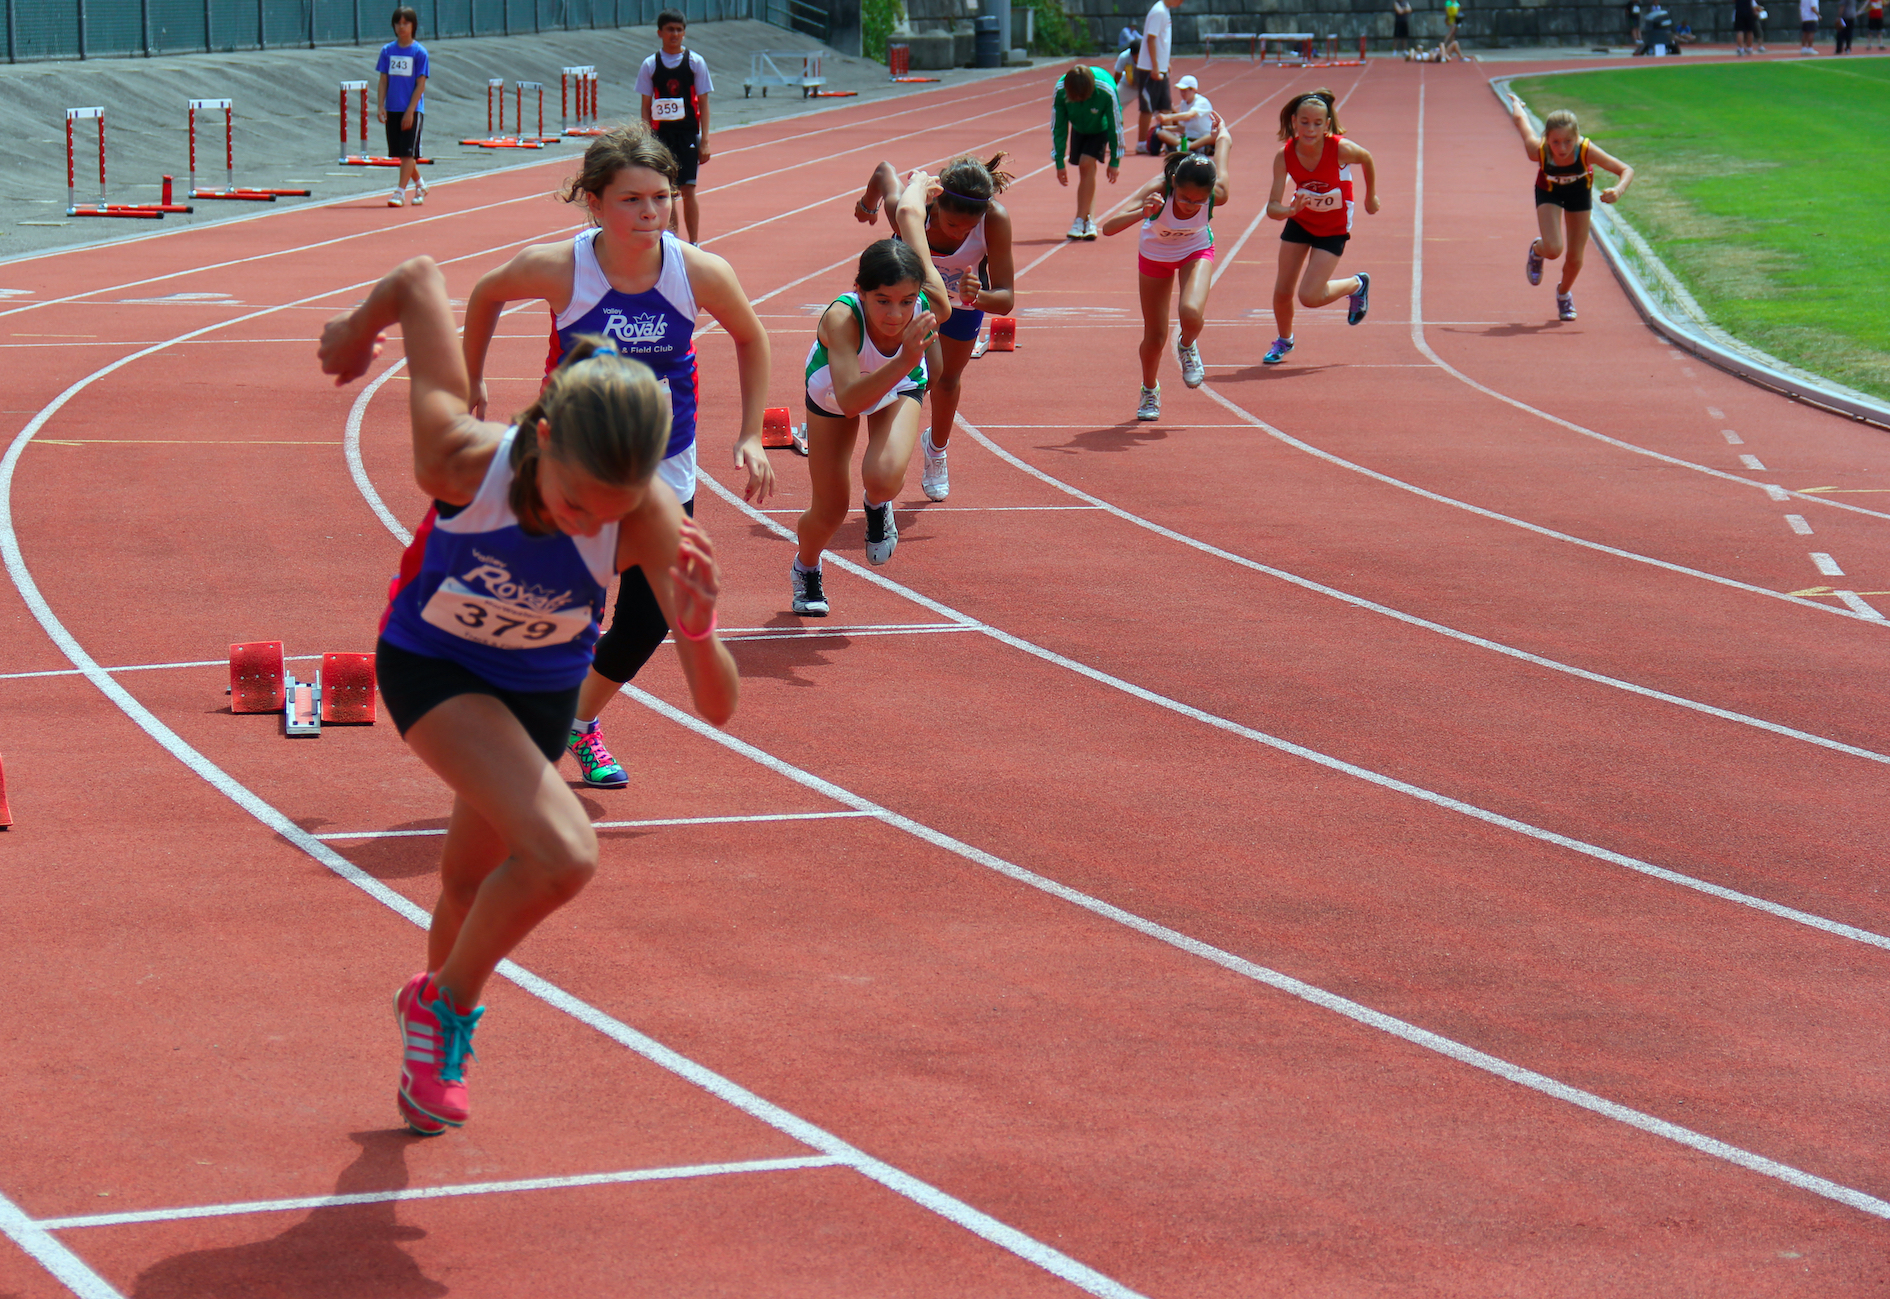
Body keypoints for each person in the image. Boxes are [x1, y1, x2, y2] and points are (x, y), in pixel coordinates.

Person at [318, 255, 739, 1137]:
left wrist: (695, 626)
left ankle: (429, 1047)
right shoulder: (461, 458)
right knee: (564, 853)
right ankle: (445, 1006)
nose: (592, 525)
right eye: (578, 503)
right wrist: (356, 329)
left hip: (540, 692)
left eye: (612, 512)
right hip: (435, 666)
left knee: (469, 884)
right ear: (540, 437)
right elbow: (420, 279)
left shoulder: (647, 514)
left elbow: (718, 706)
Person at [460, 127, 773, 789]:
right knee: (576, 604)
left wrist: (749, 433)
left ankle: (576, 719)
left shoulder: (698, 271)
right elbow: (486, 292)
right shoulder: (561, 268)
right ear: (595, 203)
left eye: (660, 197)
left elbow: (751, 336)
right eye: (633, 199)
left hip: (665, 462)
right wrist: (474, 380)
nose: (651, 212)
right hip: (573, 463)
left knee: (649, 614)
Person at [854, 156, 1013, 501]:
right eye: (952, 224)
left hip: (961, 307)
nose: (958, 233)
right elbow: (883, 172)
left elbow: (1005, 298)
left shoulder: (994, 220)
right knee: (915, 375)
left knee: (946, 381)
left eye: (967, 230)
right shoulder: (911, 208)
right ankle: (887, 455)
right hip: (911, 303)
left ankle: (936, 449)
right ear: (935, 203)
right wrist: (867, 204)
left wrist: (978, 295)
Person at [792, 241, 938, 616]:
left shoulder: (923, 307)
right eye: (883, 300)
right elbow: (851, 401)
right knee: (830, 510)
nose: (896, 314)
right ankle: (806, 566)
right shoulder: (841, 319)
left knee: (884, 477)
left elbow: (947, 306)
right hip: (835, 396)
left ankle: (877, 505)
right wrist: (906, 358)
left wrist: (915, 202)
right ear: (860, 291)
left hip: (898, 386)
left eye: (907, 301)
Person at [1100, 126, 1234, 420]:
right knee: (1156, 335)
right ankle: (1150, 390)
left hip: (1195, 250)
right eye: (1185, 199)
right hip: (1155, 256)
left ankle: (1187, 346)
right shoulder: (1158, 188)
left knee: (1190, 312)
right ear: (1174, 183)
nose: (1190, 206)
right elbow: (1108, 228)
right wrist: (1143, 213)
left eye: (1199, 201)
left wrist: (1221, 133)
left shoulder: (1216, 195)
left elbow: (1224, 148)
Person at [1261, 90, 1378, 367]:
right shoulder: (1285, 156)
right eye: (1304, 122)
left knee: (1310, 297)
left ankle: (1357, 284)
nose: (1310, 129)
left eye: (1316, 123)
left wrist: (1370, 196)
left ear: (1327, 125)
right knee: (1282, 291)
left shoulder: (1341, 149)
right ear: (1294, 122)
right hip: (1301, 221)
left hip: (1333, 227)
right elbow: (1272, 207)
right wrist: (1290, 210)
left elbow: (1368, 159)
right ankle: (1284, 340)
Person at [1507, 95, 1635, 322]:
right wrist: (1517, 103)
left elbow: (1625, 169)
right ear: (1547, 138)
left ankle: (1563, 293)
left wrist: (1618, 190)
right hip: (1549, 191)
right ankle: (1537, 251)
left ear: (1576, 137)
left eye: (1568, 141)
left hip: (1579, 194)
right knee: (1554, 249)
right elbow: (1520, 122)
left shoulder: (1586, 150)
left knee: (1576, 258)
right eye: (1555, 142)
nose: (1562, 148)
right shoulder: (1538, 150)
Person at [638, 10, 713, 243]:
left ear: (684, 33)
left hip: (687, 134)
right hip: (661, 137)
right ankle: (672, 243)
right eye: (670, 30)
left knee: (688, 190)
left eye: (679, 30)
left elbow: (703, 103)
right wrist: (646, 137)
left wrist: (706, 140)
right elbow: (645, 105)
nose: (675, 34)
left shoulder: (695, 62)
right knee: (666, 193)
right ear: (660, 33)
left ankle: (694, 244)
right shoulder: (650, 64)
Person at [1052, 63, 1124, 240]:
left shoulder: (1106, 90)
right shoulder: (1061, 91)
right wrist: (1059, 162)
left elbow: (1117, 126)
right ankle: (1089, 220)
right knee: (1087, 172)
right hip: (1079, 128)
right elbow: (1058, 127)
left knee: (1086, 164)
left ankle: (1078, 219)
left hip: (1101, 128)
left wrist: (1115, 160)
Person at [375, 6, 429, 208]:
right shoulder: (387, 51)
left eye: (406, 23)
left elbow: (420, 84)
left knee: (408, 153)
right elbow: (383, 80)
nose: (401, 26)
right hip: (393, 108)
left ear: (413, 25)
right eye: (398, 23)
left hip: (412, 110)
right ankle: (420, 184)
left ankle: (399, 192)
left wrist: (410, 111)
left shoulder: (419, 52)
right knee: (400, 153)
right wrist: (381, 105)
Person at [1135, 0, 1185, 155]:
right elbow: (1151, 39)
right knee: (1147, 108)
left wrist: (1164, 62)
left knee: (1165, 107)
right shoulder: (1159, 11)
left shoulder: (1165, 10)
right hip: (1149, 68)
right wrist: (1155, 67)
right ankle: (1142, 143)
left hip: (1160, 67)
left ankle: (1169, 142)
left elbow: (1161, 41)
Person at [1150, 74, 1217, 156]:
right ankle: (1189, 147)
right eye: (1181, 91)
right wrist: (1165, 128)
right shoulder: (1183, 104)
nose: (1182, 93)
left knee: (1216, 134)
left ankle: (1188, 147)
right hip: (1188, 138)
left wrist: (1167, 117)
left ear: (1193, 90)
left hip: (1202, 137)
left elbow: (1189, 115)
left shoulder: (1202, 101)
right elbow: (1182, 128)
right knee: (1161, 133)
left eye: (1184, 90)